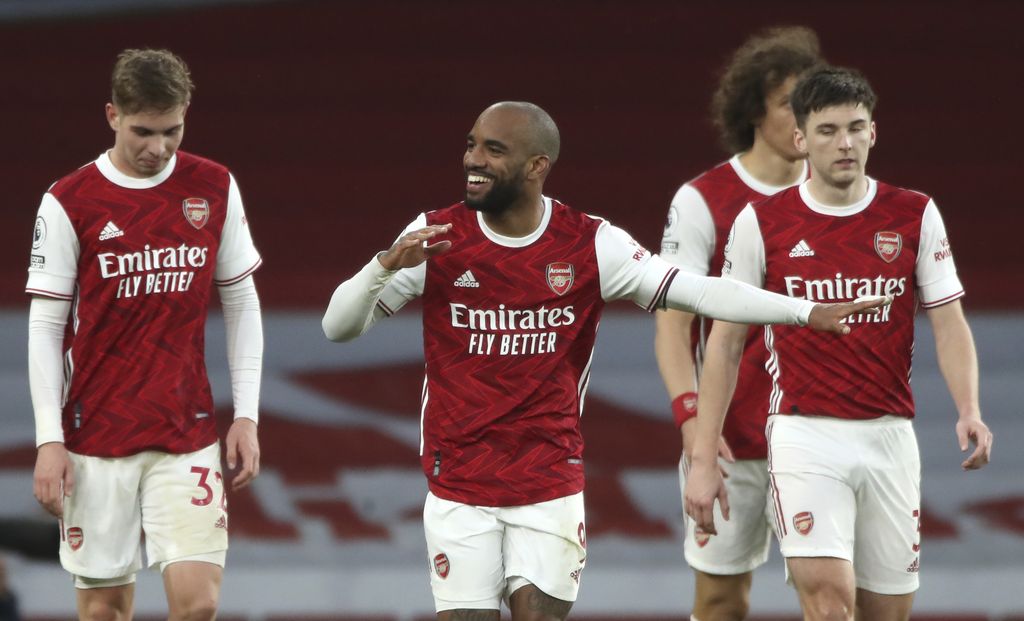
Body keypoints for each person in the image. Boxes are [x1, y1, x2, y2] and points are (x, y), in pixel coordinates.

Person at [321, 101, 885, 621]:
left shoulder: (589, 243)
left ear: (537, 165)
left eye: (494, 150)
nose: (473, 160)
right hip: (458, 486)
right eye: (471, 144)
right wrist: (384, 266)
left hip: (549, 484)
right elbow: (337, 328)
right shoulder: (438, 237)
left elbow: (700, 291)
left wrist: (804, 311)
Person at [684, 67, 993, 621]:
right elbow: (725, 343)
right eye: (827, 130)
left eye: (855, 127)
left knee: (885, 612)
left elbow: (949, 320)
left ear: (874, 133)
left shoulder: (914, 213)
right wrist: (703, 458)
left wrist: (969, 408)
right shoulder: (762, 222)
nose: (844, 142)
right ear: (800, 139)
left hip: (890, 437)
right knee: (829, 601)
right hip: (805, 434)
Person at [26, 48, 264, 621]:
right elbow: (46, 324)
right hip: (95, 434)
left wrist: (248, 415)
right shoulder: (69, 201)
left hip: (186, 429)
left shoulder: (213, 185)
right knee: (105, 608)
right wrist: (48, 439)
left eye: (172, 130)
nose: (158, 147)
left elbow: (241, 300)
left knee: (199, 603)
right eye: (143, 131)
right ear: (112, 115)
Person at [654, 26, 822, 621]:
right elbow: (673, 329)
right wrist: (691, 418)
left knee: (827, 596)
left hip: (820, 435)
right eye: (789, 105)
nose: (805, 120)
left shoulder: (839, 197)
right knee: (722, 598)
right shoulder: (704, 200)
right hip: (733, 441)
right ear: (754, 109)